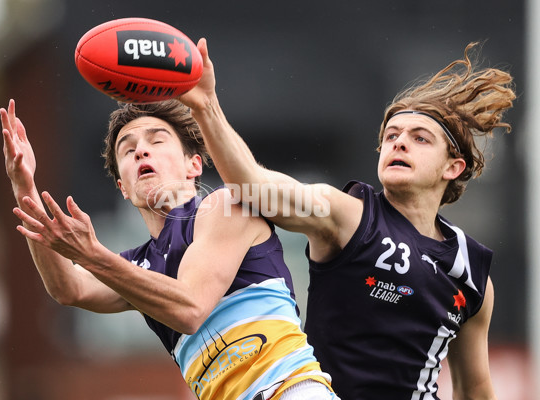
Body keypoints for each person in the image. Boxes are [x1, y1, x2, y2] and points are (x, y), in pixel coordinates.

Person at [179, 39, 515, 399]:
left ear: (454, 166)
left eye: (420, 138)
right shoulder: (348, 215)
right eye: (391, 136)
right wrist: (206, 107)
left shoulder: (471, 273)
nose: (399, 143)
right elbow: (251, 184)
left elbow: (474, 387)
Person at [0, 99, 341, 400]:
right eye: (127, 148)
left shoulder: (226, 206)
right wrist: (23, 185)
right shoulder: (137, 267)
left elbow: (190, 308)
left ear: (194, 165)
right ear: (122, 187)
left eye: (157, 140)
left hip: (290, 390)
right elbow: (67, 287)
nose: (140, 151)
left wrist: (93, 255)